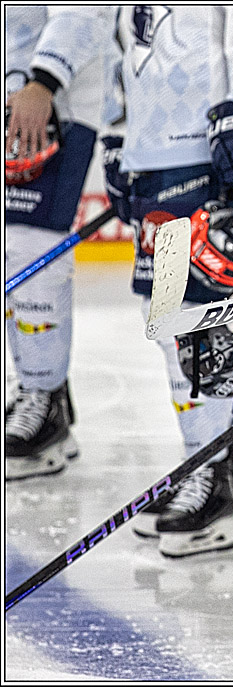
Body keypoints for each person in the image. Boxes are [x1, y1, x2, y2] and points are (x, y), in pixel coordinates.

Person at [105, 6, 233, 557]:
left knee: (204, 327)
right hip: (158, 162)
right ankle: (203, 462)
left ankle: (215, 480)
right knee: (171, 321)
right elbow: (134, 51)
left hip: (204, 154)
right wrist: (121, 136)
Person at [4, 7, 108, 480]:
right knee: (13, 251)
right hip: (17, 91)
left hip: (53, 99)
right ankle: (40, 391)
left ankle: (43, 402)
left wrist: (44, 79)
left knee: (33, 250)